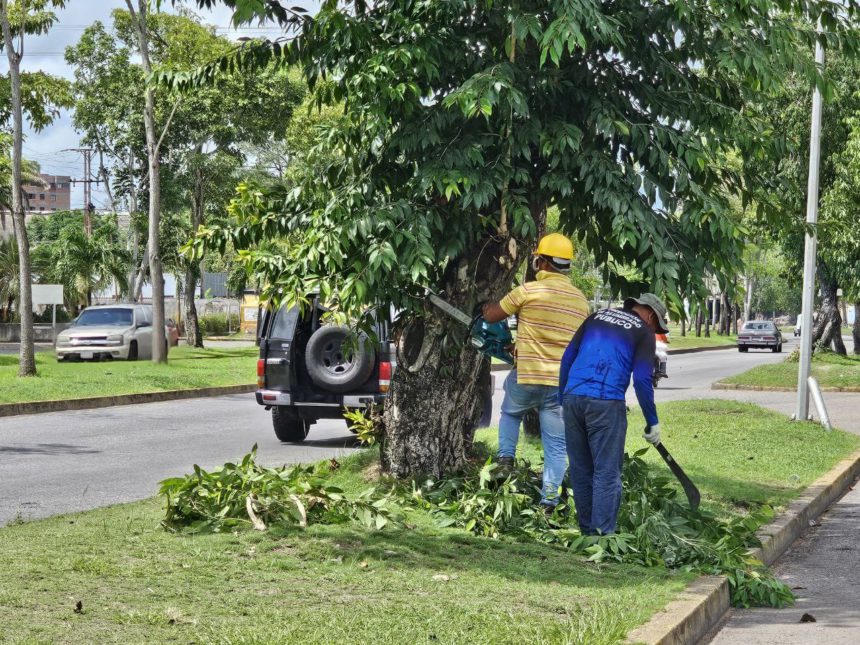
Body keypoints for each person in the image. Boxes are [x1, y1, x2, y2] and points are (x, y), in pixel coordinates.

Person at [482, 233, 589, 508]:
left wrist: (485, 307)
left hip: (528, 374)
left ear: (540, 261)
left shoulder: (528, 290)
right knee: (555, 445)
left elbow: (493, 316)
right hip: (558, 385)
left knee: (510, 412)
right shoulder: (581, 301)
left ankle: (506, 459)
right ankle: (549, 501)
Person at [558, 294, 669, 535]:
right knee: (606, 473)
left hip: (573, 398)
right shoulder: (643, 331)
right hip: (606, 403)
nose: (655, 330)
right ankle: (601, 537)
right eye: (656, 324)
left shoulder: (596, 317)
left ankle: (586, 531)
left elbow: (567, 358)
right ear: (650, 315)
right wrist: (652, 421)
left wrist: (561, 400)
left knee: (581, 468)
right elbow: (641, 380)